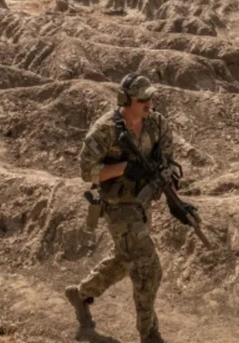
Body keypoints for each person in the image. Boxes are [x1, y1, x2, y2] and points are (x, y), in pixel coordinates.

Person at [66, 72, 176, 343]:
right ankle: (149, 334)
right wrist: (124, 167)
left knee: (126, 261)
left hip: (141, 203)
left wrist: (165, 175)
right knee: (149, 268)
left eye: (151, 97)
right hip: (117, 206)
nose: (149, 103)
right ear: (125, 100)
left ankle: (80, 294)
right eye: (142, 99)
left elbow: (169, 157)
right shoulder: (105, 130)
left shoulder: (157, 124)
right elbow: (86, 172)